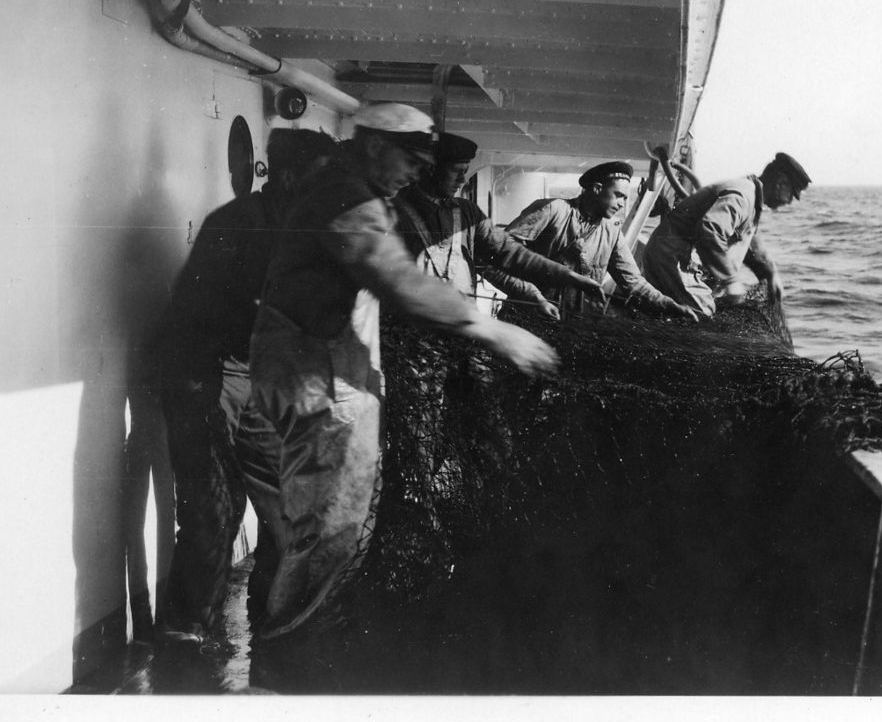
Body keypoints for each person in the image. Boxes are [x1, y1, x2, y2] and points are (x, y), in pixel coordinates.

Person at [249, 103, 560, 641]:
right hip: (318, 379)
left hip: (329, 373)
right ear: (374, 145)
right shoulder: (345, 197)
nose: (416, 174)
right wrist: (491, 330)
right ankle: (291, 659)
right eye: (411, 160)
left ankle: (299, 644)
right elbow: (395, 277)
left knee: (331, 529)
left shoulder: (351, 189)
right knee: (330, 534)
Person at [153, 127, 335, 644]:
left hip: (261, 379)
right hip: (207, 376)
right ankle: (185, 635)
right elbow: (203, 315)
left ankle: (271, 621)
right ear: (290, 178)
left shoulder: (303, 229)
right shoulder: (237, 225)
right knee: (215, 509)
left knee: (290, 506)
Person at [391, 131, 606, 310]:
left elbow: (509, 252)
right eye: (456, 171)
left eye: (465, 172)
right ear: (431, 169)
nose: (462, 179)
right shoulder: (395, 212)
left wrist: (568, 276)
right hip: (409, 322)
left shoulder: (467, 212)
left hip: (459, 321)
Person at [483, 161, 699, 319]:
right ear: (596, 189)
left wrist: (669, 305)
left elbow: (634, 283)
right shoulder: (552, 210)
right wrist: (532, 297)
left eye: (625, 198)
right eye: (618, 195)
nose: (622, 204)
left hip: (573, 327)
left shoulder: (612, 232)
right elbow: (492, 260)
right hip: (526, 319)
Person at [641, 152, 811, 317]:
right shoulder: (743, 196)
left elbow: (752, 243)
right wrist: (731, 281)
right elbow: (709, 230)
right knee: (702, 318)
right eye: (792, 194)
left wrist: (770, 274)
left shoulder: (751, 198)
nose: (789, 202)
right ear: (781, 183)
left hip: (672, 257)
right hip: (671, 258)